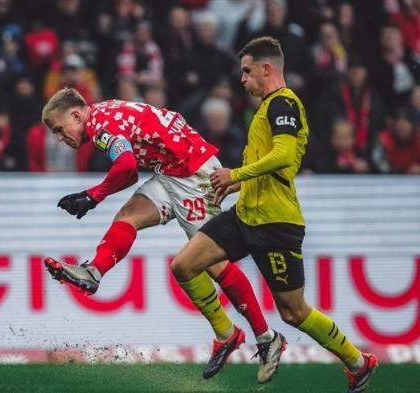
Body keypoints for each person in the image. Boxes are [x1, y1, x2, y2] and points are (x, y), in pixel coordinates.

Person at [170, 36, 378, 392]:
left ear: (267, 69)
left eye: (247, 71)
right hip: (246, 214)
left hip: (277, 222)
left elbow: (283, 155)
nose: (242, 79)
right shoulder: (267, 108)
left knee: (294, 312)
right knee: (184, 265)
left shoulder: (284, 103)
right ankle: (228, 333)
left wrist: (236, 174)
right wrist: (236, 185)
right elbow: (267, 162)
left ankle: (358, 362)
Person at [41, 87, 285, 383]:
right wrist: (95, 195)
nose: (60, 137)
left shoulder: (99, 125)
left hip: (194, 176)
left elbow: (128, 167)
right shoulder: (104, 112)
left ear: (76, 115)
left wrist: (94, 195)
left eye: (59, 128)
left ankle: (266, 337)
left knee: (213, 264)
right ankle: (94, 271)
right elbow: (130, 169)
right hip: (173, 171)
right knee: (128, 216)